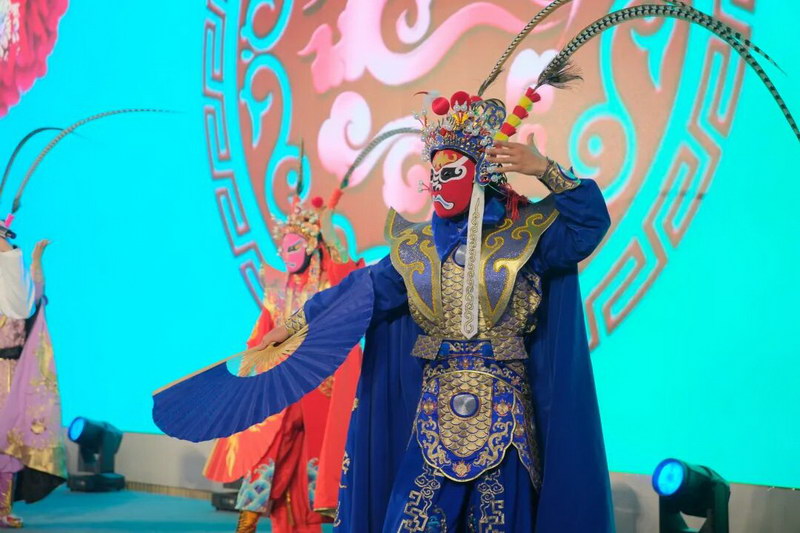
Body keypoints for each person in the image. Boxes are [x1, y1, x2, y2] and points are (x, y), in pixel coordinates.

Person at [204, 192, 364, 533]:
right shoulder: (278, 289)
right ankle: (248, 520)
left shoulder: (329, 280)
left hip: (321, 385)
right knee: (270, 448)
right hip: (282, 384)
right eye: (283, 249)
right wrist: (250, 372)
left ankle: (305, 523)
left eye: (293, 247)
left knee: (310, 463)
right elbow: (259, 335)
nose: (286, 255)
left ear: (311, 246)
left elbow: (349, 275)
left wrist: (327, 225)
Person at [0, 239, 67, 529]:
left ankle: (2, 508)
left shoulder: (17, 299)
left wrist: (36, 260)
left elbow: (33, 290)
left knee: (7, 444)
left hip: (11, 376)